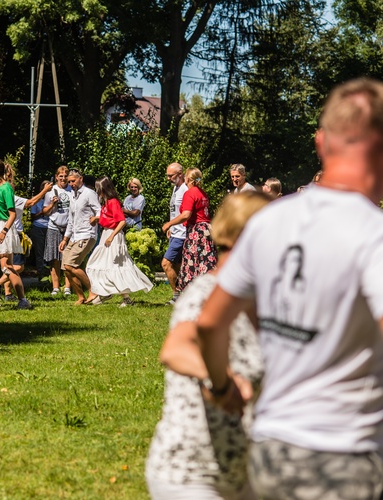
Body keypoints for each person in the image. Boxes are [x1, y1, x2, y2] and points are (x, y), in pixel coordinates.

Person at [197, 78, 383, 499]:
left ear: (320, 142)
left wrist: (221, 387)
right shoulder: (373, 234)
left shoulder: (270, 221)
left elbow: (209, 323)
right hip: (345, 454)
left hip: (271, 449)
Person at [147, 191, 270, 500]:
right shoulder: (207, 292)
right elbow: (177, 348)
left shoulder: (268, 301)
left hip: (247, 475)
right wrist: (223, 383)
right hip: (192, 475)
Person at [85, 176, 153, 307]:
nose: (97, 191)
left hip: (113, 236)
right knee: (104, 264)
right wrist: (97, 219)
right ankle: (112, 293)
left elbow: (121, 221)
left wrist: (111, 236)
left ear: (103, 188)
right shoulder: (105, 202)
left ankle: (110, 293)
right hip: (106, 233)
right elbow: (108, 217)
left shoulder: (113, 202)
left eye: (98, 188)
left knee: (113, 265)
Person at [0, 159, 33, 310]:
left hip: (3, 226)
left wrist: (3, 231)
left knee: (7, 267)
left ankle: (22, 300)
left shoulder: (6, 188)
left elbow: (12, 214)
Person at [164, 168, 216, 293]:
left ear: (187, 178)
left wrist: (169, 224)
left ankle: (189, 293)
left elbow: (186, 214)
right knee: (206, 263)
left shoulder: (190, 193)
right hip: (207, 231)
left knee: (193, 263)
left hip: (196, 232)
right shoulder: (202, 193)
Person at [59, 167, 101, 305]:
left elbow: (100, 211)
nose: (71, 184)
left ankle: (93, 291)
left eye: (73, 181)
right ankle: (81, 297)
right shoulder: (72, 195)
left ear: (80, 179)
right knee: (66, 267)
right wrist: (65, 239)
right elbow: (71, 219)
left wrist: (95, 218)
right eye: (69, 182)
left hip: (87, 234)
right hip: (74, 236)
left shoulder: (89, 193)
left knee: (71, 264)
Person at [42, 166, 72, 296]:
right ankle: (55, 287)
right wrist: (52, 204)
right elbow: (44, 212)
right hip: (54, 226)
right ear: (56, 177)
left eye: (65, 176)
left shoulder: (72, 190)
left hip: (69, 229)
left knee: (68, 259)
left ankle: (67, 287)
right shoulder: (51, 191)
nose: (63, 179)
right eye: (61, 176)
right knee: (54, 259)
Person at [161, 162, 188, 305]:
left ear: (179, 174)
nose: (168, 178)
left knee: (165, 264)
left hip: (182, 234)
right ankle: (182, 294)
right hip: (175, 233)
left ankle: (176, 295)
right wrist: (172, 228)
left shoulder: (185, 189)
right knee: (177, 266)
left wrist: (170, 224)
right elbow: (175, 211)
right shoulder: (176, 188)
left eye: (170, 176)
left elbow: (185, 213)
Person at [28, 180, 52, 279]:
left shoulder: (52, 199)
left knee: (50, 251)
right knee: (39, 251)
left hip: (50, 226)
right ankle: (41, 273)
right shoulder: (37, 201)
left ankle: (51, 273)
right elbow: (33, 216)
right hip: (38, 227)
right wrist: (42, 212)